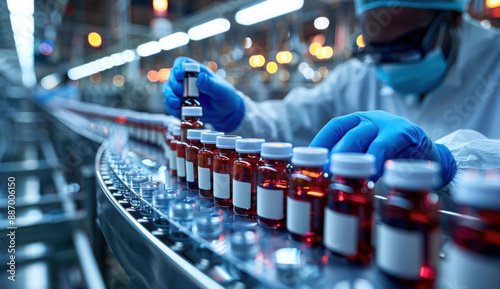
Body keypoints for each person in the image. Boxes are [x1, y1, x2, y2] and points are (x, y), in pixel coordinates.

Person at [163, 0, 500, 188]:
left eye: (405, 46)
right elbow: (290, 123)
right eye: (375, 49)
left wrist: (452, 163)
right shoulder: (357, 75)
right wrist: (239, 115)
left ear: (454, 18)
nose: (387, 63)